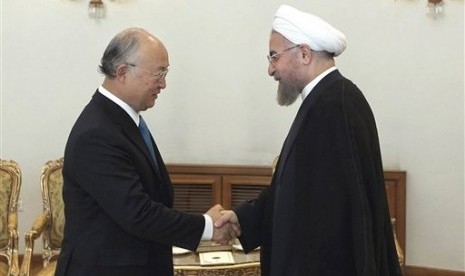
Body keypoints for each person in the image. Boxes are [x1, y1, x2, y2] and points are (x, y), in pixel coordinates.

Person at [216, 4, 402, 276]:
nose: (270, 69)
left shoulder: (336, 105)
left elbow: (334, 219)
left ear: (304, 53)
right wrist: (243, 219)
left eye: (274, 57)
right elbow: (296, 191)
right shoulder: (323, 100)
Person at [55, 27, 236, 276]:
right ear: (122, 72)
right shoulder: (96, 134)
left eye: (166, 72)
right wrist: (207, 226)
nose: (163, 83)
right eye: (158, 73)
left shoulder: (123, 119)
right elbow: (137, 213)